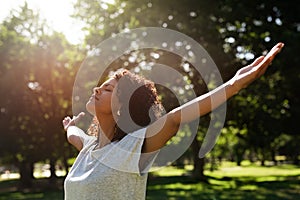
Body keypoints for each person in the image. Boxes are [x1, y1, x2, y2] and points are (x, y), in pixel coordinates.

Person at [62, 42, 284, 200]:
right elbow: (76, 136)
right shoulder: (88, 148)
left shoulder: (132, 147)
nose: (97, 88)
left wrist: (234, 85)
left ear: (123, 106)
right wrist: (70, 127)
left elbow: (175, 117)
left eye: (108, 88)